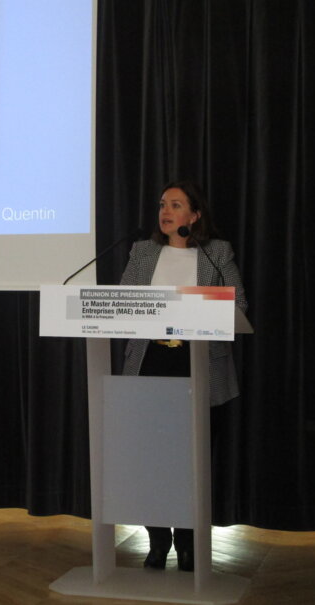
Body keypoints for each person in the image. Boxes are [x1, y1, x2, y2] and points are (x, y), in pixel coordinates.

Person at [119, 180, 248, 573]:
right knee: (150, 461)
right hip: (150, 362)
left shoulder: (215, 254)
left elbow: (238, 305)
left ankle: (189, 543)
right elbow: (123, 302)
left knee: (193, 461)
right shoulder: (142, 252)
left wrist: (190, 306)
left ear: (194, 216)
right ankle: (157, 541)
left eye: (176, 205)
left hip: (197, 364)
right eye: (162, 204)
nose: (165, 211)